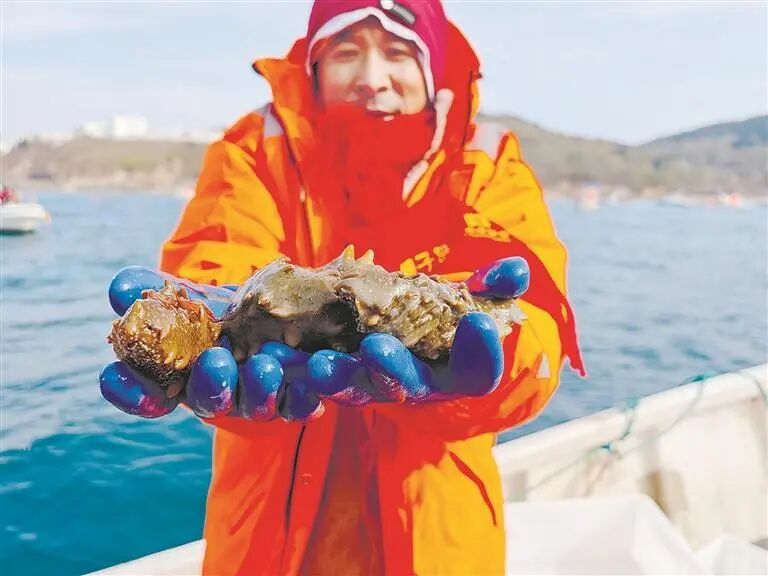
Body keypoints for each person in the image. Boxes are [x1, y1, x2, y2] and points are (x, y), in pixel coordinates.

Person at [100, 1, 585, 574]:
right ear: (314, 66)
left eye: (399, 52)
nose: (372, 78)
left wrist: (500, 359)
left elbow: (537, 334)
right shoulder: (256, 149)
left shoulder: (486, 161)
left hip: (437, 537)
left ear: (431, 68)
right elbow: (214, 263)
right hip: (267, 542)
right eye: (346, 51)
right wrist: (203, 360)